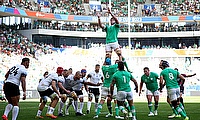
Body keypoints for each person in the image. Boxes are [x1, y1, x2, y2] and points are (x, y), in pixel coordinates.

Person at [97, 7, 131, 72]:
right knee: (107, 58)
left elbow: (117, 20)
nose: (112, 20)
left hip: (114, 42)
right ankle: (107, 69)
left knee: (120, 55)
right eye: (111, 20)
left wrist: (111, 13)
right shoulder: (107, 27)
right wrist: (99, 18)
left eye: (113, 20)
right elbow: (101, 25)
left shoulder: (116, 26)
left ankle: (121, 68)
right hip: (108, 43)